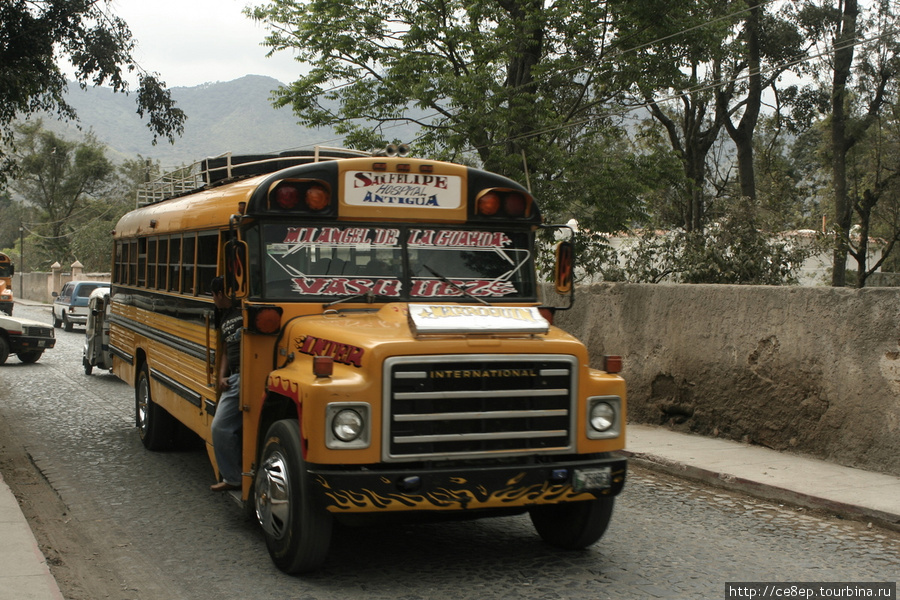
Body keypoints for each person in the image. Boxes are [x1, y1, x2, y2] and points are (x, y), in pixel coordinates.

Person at [210, 276, 243, 492]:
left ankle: (233, 477)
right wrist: (221, 376)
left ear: (220, 294)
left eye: (213, 295)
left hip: (245, 375)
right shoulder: (226, 317)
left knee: (220, 427)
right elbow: (225, 350)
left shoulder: (245, 311)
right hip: (233, 377)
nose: (213, 300)